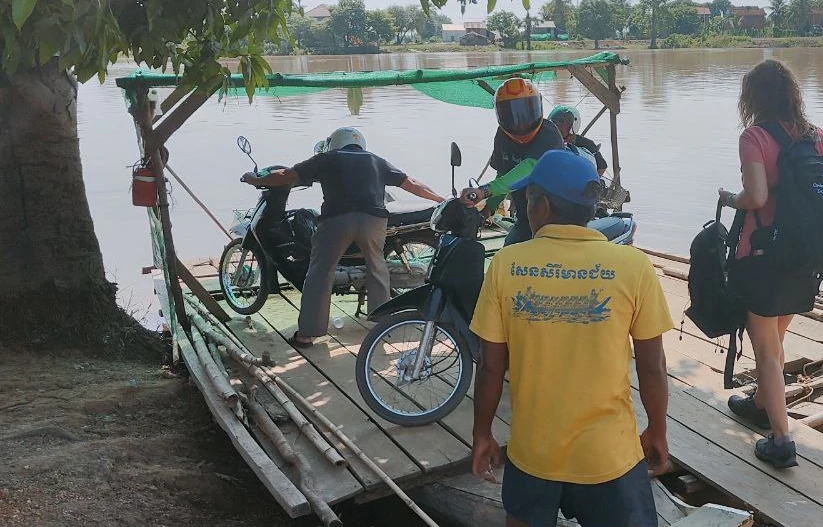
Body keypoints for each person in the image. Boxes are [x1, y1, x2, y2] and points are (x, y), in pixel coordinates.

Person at [469, 150, 673, 527]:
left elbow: (490, 365)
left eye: (526, 200)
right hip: (610, 455)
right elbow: (652, 366)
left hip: (534, 454)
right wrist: (658, 430)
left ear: (541, 205)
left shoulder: (505, 264)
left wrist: (482, 434)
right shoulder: (633, 265)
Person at [716, 60, 823, 468]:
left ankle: (781, 439)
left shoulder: (754, 138)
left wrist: (730, 198)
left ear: (752, 98)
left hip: (764, 257)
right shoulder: (820, 138)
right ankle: (762, 402)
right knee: (776, 339)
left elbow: (756, 197)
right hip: (808, 258)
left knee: (765, 348)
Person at [241, 127, 445, 348]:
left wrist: (253, 179)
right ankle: (382, 325)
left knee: (320, 271)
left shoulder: (326, 158)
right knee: (377, 268)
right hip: (374, 221)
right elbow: (412, 184)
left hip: (337, 220)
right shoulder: (377, 161)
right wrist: (441, 199)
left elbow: (285, 175)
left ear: (335, 143)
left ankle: (308, 334)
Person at [461, 77, 564, 246]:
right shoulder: (503, 136)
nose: (519, 121)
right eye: (510, 114)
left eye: (526, 111)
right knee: (508, 253)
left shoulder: (549, 134)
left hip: (556, 219)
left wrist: (484, 191)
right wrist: (489, 208)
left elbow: (529, 169)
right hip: (526, 217)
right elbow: (504, 173)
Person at [548, 106, 608, 176]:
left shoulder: (587, 144)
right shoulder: (549, 141)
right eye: (554, 121)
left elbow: (602, 166)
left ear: (573, 124)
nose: (557, 125)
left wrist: (594, 180)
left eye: (561, 121)